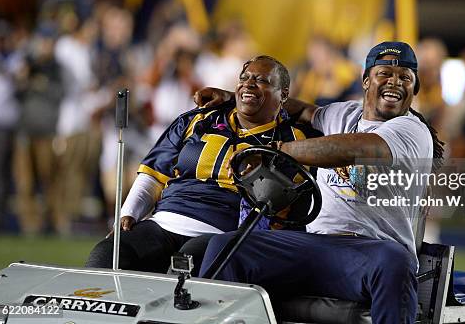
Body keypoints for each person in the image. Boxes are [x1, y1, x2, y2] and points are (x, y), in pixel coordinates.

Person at [194, 41, 444, 324]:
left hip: (371, 250)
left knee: (394, 263)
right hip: (315, 245)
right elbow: (300, 110)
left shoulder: (412, 130)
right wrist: (236, 97)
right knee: (226, 248)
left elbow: (358, 148)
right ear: (365, 80)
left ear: (414, 89)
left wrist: (280, 151)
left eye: (405, 78)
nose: (395, 82)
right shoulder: (343, 114)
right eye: (385, 73)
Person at [85, 55, 313, 273]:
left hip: (222, 232)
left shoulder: (292, 140)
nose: (249, 84)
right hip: (165, 221)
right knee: (107, 255)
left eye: (262, 80)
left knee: (185, 269)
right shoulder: (198, 119)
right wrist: (130, 212)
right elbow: (154, 173)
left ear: (283, 95)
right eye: (244, 78)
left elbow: (285, 210)